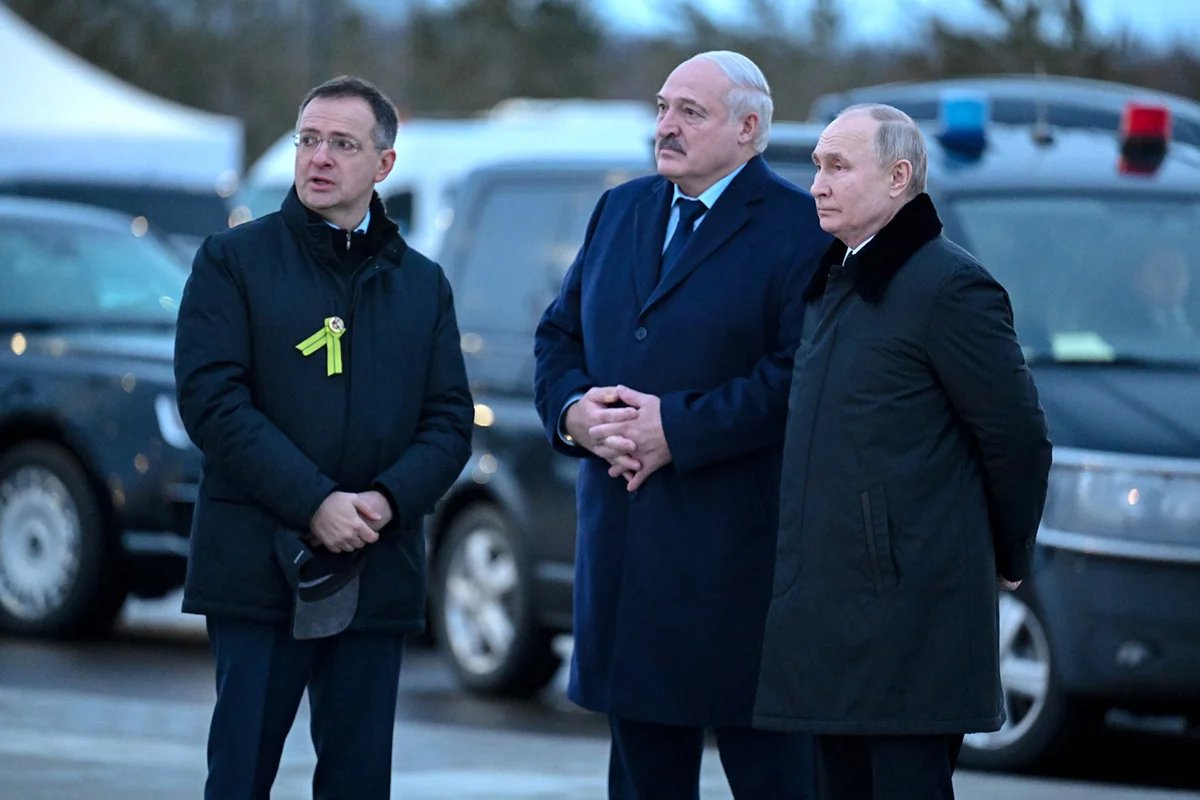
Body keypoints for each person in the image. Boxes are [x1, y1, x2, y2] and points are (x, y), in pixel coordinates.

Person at [533, 50, 828, 799]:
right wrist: (574, 414)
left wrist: (678, 429)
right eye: (662, 108)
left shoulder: (802, 228)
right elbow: (559, 335)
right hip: (627, 557)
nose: (666, 126)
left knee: (777, 782)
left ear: (748, 128)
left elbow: (800, 375)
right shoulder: (621, 208)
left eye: (690, 112)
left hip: (739, 571)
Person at [174, 75, 473, 800]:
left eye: (343, 143)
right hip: (257, 566)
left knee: (359, 781)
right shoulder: (233, 261)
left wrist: (384, 502)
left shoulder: (422, 284)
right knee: (240, 776)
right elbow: (213, 403)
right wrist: (315, 502)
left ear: (384, 164)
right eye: (309, 139)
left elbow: (448, 422)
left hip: (377, 564)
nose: (319, 157)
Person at [752, 104, 1052, 800]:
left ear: (898, 177)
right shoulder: (836, 281)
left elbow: (1017, 436)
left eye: (837, 166)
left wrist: (1008, 554)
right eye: (816, 166)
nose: (817, 184)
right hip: (831, 616)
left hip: (910, 619)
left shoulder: (948, 286)